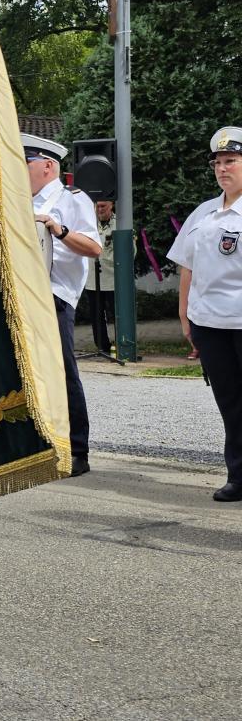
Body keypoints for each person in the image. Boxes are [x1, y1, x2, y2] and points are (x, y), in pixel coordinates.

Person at [168, 126, 242, 502]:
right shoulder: (204, 212)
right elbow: (188, 266)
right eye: (217, 162)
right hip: (210, 325)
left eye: (231, 161)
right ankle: (239, 476)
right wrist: (186, 318)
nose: (222, 168)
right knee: (230, 403)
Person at [23, 133, 101, 477]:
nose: (19, 170)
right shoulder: (18, 199)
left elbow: (94, 248)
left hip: (54, 295)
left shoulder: (72, 199)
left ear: (47, 166)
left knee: (62, 372)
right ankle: (34, 445)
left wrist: (59, 229)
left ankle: (77, 450)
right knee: (24, 371)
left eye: (25, 163)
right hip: (22, 292)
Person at [80, 200, 117, 352]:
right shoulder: (89, 223)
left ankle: (122, 345)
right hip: (92, 279)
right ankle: (102, 347)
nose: (99, 210)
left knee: (117, 315)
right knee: (96, 315)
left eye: (103, 206)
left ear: (111, 205)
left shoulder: (120, 224)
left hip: (113, 279)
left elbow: (130, 252)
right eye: (97, 206)